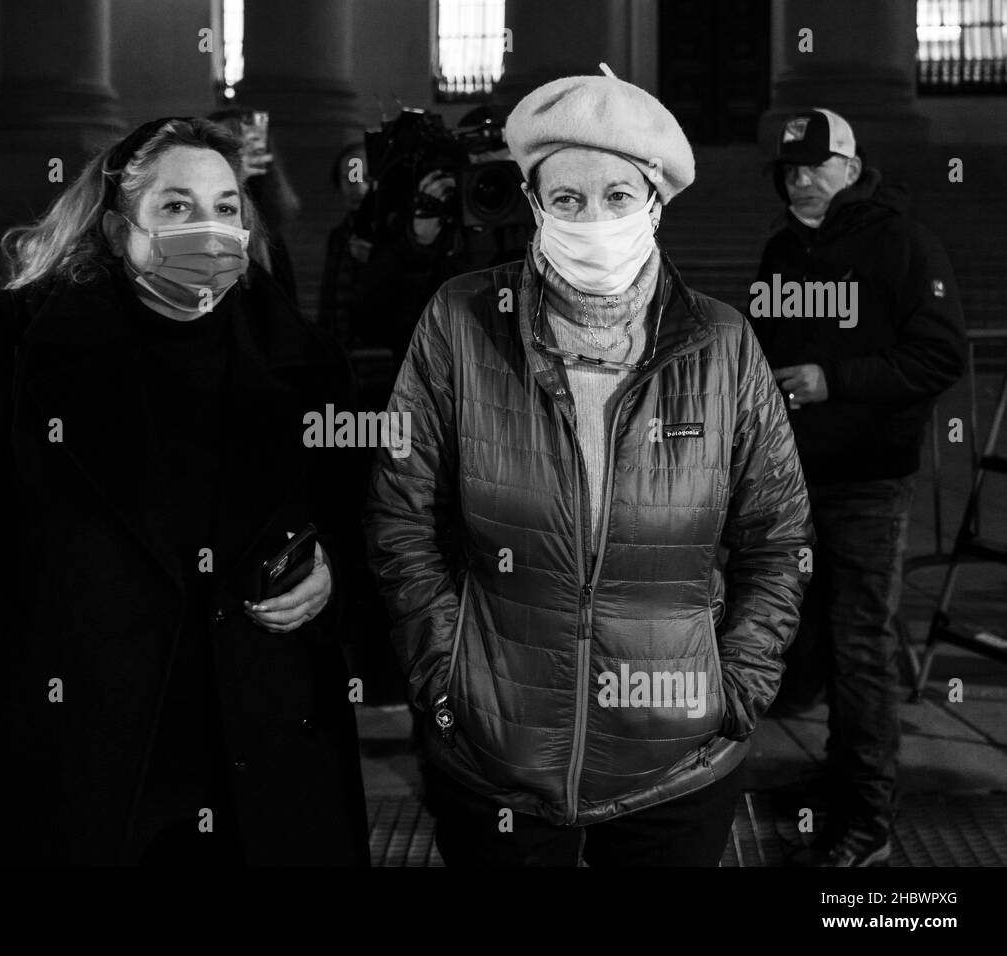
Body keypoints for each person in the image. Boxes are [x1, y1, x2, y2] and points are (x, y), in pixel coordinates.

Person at [0, 116, 370, 867]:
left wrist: (330, 571)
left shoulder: (298, 357)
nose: (208, 230)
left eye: (226, 208)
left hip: (258, 750)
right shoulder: (11, 348)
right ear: (120, 231)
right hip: (71, 756)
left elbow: (354, 511)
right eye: (177, 207)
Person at [365, 66, 813, 867]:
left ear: (653, 204)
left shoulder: (722, 343)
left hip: (678, 766)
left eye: (616, 197)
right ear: (534, 204)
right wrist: (445, 677)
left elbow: (779, 538)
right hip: (495, 761)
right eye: (566, 199)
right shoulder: (463, 321)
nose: (592, 220)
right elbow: (401, 515)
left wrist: (736, 687)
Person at [749, 108, 968, 867]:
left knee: (861, 645)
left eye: (813, 165)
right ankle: (843, 775)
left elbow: (940, 355)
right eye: (787, 169)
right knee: (810, 639)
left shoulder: (901, 242)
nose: (799, 179)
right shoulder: (782, 250)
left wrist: (832, 381)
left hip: (869, 483)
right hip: (795, 483)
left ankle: (868, 820)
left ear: (851, 164)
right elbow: (765, 349)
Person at [208, 107, 302, 303]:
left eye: (242, 144)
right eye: (224, 146)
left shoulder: (265, 202)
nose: (236, 155)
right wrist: (234, 182)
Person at [318, 141, 372, 351]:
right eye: (350, 179)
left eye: (366, 179)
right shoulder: (339, 236)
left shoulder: (401, 235)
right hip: (343, 355)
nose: (358, 188)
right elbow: (328, 304)